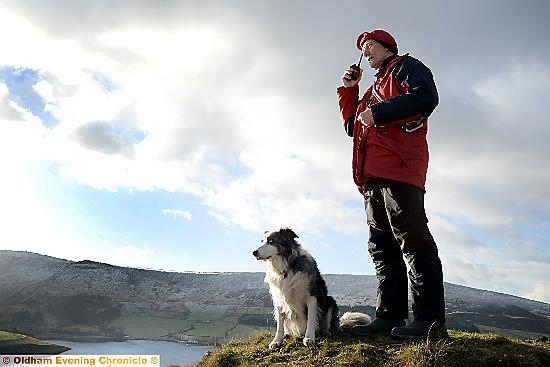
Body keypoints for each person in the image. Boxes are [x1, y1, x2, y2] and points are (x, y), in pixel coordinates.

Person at [336, 29, 447, 339]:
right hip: (371, 177)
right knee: (382, 247)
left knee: (413, 242)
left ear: (387, 47)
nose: (366, 53)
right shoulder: (372, 88)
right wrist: (350, 90)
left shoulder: (405, 67)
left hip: (400, 170)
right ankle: (389, 317)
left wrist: (380, 113)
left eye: (370, 46)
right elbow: (352, 127)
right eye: (363, 49)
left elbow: (427, 97)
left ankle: (429, 324)